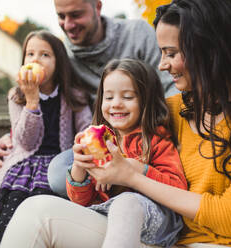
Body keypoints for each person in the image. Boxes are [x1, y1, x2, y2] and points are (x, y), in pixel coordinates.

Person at [0, 0, 231, 247]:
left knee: (128, 204)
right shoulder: (174, 108)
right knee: (36, 211)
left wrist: (134, 175)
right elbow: (119, 122)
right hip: (174, 239)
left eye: (171, 53)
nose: (162, 65)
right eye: (161, 53)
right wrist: (14, 139)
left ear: (209, 51)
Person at [0, 0, 180, 193]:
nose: (68, 24)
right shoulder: (65, 60)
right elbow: (51, 105)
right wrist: (12, 136)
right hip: (102, 144)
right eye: (61, 16)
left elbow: (172, 87)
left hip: (146, 140)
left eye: (76, 14)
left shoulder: (137, 34)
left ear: (97, 7)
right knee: (57, 173)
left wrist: (163, 134)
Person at [0, 30, 92, 247]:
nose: (36, 59)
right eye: (30, 54)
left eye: (45, 55)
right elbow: (25, 142)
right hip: (26, 164)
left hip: (58, 163)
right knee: (14, 204)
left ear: (59, 62)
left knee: (44, 197)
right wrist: (31, 100)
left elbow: (86, 133)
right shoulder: (17, 95)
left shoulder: (74, 95)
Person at [65, 58, 187, 247]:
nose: (116, 104)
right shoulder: (99, 143)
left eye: (128, 97)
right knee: (36, 204)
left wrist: (136, 168)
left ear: (146, 100)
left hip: (156, 222)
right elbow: (81, 200)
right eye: (109, 97)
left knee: (126, 202)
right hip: (111, 218)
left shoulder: (155, 140)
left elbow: (178, 189)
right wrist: (79, 168)